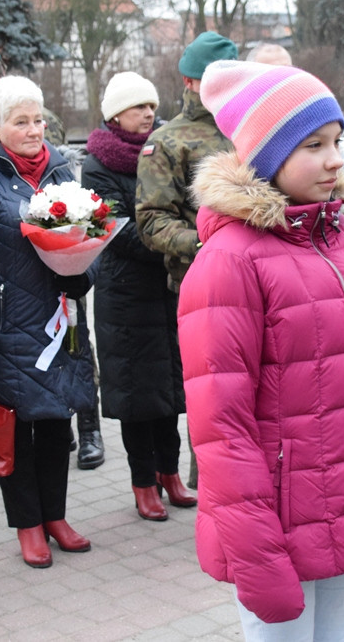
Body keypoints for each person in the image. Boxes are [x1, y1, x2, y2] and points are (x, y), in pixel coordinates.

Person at [177, 60, 344, 638]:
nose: (335, 159)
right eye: (313, 145)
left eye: (337, 140)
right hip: (277, 519)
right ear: (267, 156)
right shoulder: (229, 263)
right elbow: (222, 428)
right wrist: (258, 556)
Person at [0, 75, 94, 569]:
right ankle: (28, 525)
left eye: (38, 119)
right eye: (21, 122)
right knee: (14, 429)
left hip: (59, 320)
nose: (35, 130)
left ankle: (56, 515)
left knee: (57, 421)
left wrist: (81, 273)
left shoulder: (60, 169)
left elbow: (88, 229)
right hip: (4, 324)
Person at [82, 72, 193, 522]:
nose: (147, 114)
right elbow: (114, 230)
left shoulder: (166, 148)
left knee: (170, 389)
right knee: (138, 395)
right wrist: (175, 242)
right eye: (136, 108)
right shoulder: (97, 163)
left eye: (150, 105)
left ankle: (170, 473)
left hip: (168, 289)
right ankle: (143, 482)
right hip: (126, 292)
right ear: (115, 116)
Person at [136, 30, 237, 489]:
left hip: (266, 279)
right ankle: (215, 488)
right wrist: (205, 245)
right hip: (204, 285)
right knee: (214, 394)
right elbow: (152, 221)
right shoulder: (169, 142)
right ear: (189, 81)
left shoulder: (253, 130)